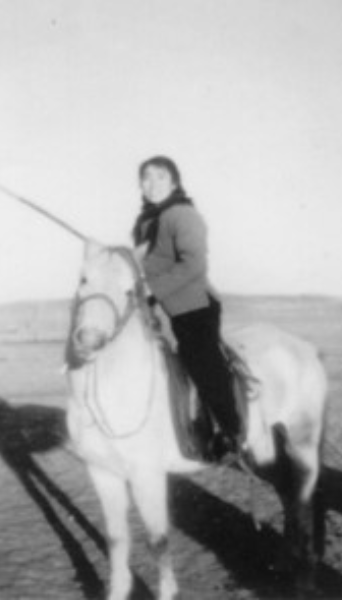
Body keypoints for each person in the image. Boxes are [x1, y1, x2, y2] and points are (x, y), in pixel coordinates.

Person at [132, 155, 242, 459]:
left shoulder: (182, 214)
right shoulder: (145, 222)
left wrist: (152, 288)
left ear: (175, 182)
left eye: (161, 177)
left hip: (193, 306)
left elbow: (194, 264)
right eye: (146, 177)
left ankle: (231, 432)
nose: (152, 184)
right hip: (161, 308)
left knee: (200, 362)